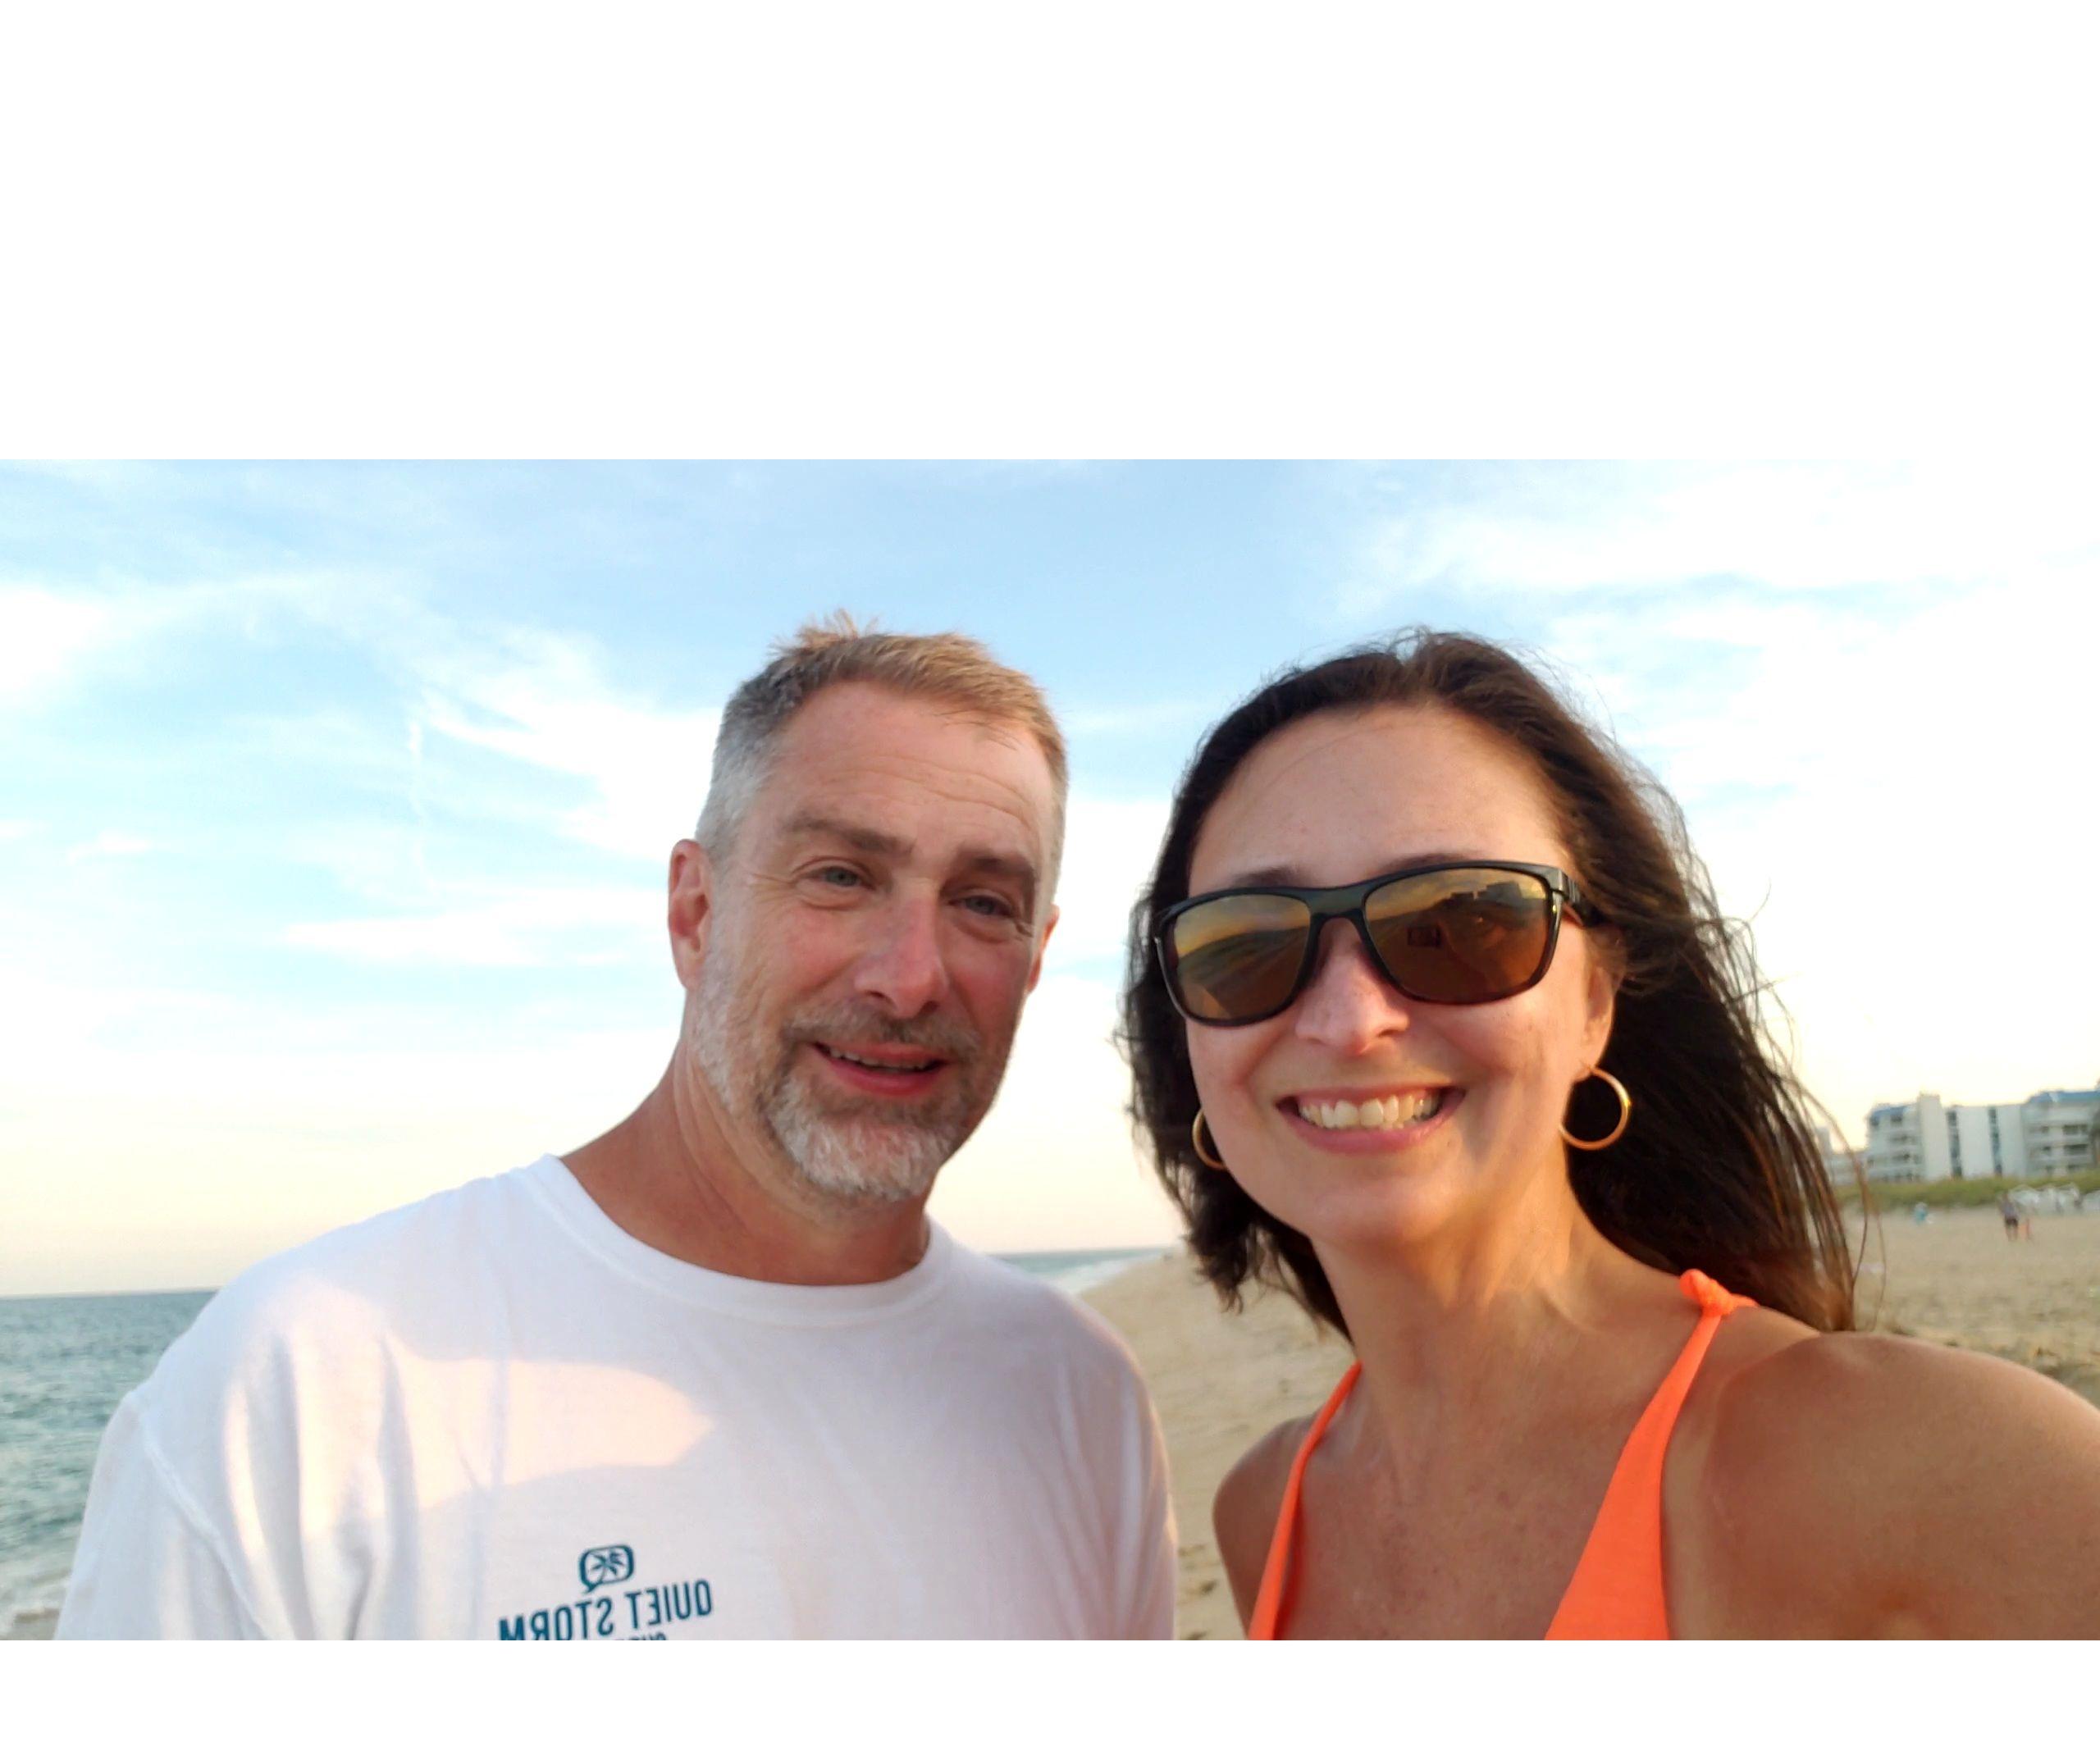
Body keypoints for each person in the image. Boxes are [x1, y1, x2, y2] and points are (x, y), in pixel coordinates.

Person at [61, 618, 1175, 1640]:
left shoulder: (1079, 1397)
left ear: (1033, 959)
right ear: (696, 913)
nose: (911, 976)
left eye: (983, 901)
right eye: (840, 876)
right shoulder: (309, 1383)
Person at [1121, 630, 2100, 1638]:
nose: (1348, 1018)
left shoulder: (1933, 1469)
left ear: (1594, 998)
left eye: (1459, 922)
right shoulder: (1262, 1511)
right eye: (1244, 944)